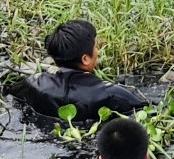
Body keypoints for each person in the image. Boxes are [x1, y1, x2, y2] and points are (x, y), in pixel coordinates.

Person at [8, 19, 145, 124]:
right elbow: (144, 111)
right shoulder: (112, 93)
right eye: (96, 47)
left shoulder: (32, 83)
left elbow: (9, 93)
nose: (98, 52)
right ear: (85, 59)